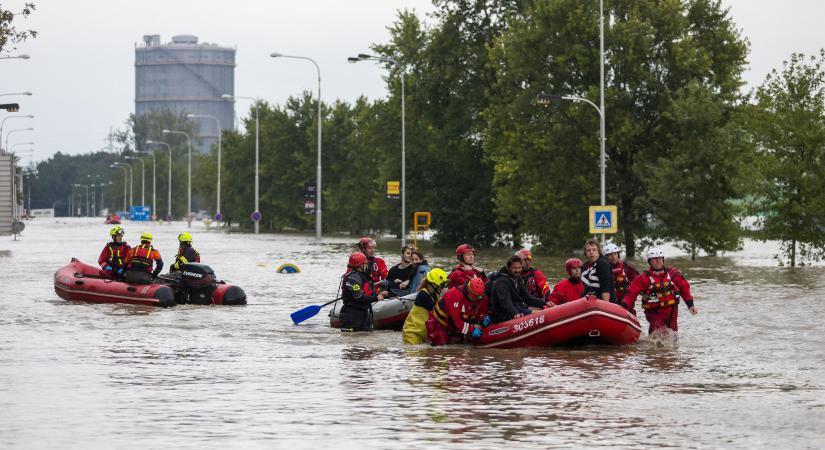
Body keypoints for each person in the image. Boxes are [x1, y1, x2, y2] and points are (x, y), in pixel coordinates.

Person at [622, 247, 697, 335]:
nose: (658, 261)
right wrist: (624, 306)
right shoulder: (643, 278)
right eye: (655, 259)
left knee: (673, 337)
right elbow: (631, 294)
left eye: (660, 259)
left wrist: (690, 305)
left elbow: (684, 289)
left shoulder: (673, 274)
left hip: (672, 312)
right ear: (650, 261)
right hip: (655, 313)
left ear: (663, 260)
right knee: (657, 335)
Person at [426, 277, 490, 346]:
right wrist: (471, 329)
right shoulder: (455, 295)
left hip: (456, 323)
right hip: (439, 323)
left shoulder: (480, 297)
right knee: (442, 346)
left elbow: (480, 311)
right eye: (476, 296)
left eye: (479, 297)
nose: (477, 299)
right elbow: (457, 320)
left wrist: (483, 317)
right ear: (468, 290)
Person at [340, 251, 389, 332]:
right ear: (360, 265)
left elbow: (367, 293)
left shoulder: (361, 276)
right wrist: (376, 298)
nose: (367, 266)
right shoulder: (353, 278)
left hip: (362, 313)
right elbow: (359, 297)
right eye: (365, 264)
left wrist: (378, 294)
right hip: (351, 316)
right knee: (353, 340)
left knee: (364, 338)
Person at [489, 254, 547, 323]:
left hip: (518, 307)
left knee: (542, 308)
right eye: (515, 268)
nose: (518, 270)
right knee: (539, 313)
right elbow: (505, 302)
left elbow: (527, 297)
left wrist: (544, 302)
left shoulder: (517, 278)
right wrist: (515, 313)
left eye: (519, 267)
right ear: (508, 268)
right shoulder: (502, 282)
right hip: (503, 314)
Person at [402, 267, 448, 345]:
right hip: (412, 333)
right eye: (441, 285)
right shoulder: (423, 294)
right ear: (432, 284)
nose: (442, 287)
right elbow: (435, 310)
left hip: (422, 333)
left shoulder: (435, 295)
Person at [581, 238, 616, 303]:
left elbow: (606, 288)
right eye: (589, 250)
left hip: (602, 303)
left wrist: (605, 306)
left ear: (598, 251)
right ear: (585, 253)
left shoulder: (602, 264)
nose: (591, 252)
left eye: (594, 249)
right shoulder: (585, 266)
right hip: (588, 301)